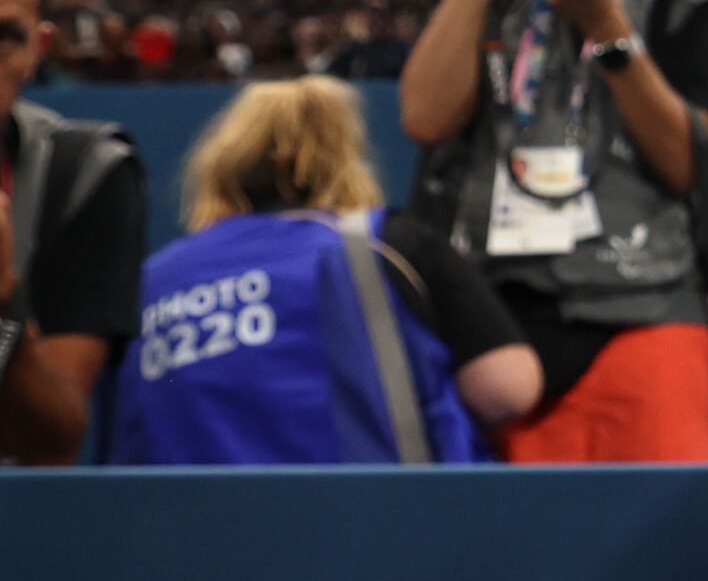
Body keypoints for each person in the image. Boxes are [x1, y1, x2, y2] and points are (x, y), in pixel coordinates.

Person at [398, 0, 708, 463]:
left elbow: (691, 169)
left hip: (646, 303)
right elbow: (425, 117)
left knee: (652, 533)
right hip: (491, 315)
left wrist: (610, 30)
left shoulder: (684, 7)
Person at [104, 76, 540, 464]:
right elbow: (508, 388)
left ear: (222, 164)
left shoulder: (154, 278)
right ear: (344, 157)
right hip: (372, 529)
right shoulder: (386, 245)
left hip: (186, 539)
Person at [0, 0, 146, 466]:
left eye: (5, 36)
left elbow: (54, 439)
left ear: (39, 49)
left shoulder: (84, 174)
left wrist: (3, 303)